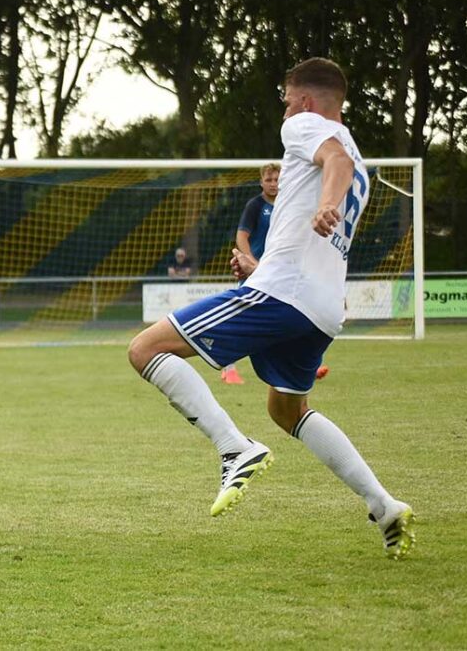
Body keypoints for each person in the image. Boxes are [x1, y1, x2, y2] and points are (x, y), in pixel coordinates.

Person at [126, 58, 414, 559]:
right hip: (320, 308)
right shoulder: (361, 162)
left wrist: (326, 203)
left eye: (286, 100)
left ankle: (234, 448)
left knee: (145, 349)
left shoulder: (306, 127)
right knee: (286, 409)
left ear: (304, 100)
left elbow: (334, 166)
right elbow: (327, 194)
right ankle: (384, 505)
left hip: (284, 294)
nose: (284, 110)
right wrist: (259, 267)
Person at [220, 163, 281, 385]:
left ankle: (302, 366)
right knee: (240, 318)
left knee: (288, 317)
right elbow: (241, 236)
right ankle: (228, 368)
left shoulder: (287, 204)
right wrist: (251, 262)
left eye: (276, 179)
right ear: (261, 182)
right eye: (269, 180)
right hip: (254, 273)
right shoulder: (255, 205)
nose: (273, 184)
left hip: (279, 272)